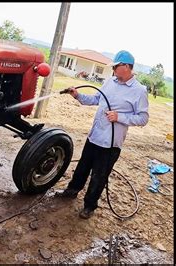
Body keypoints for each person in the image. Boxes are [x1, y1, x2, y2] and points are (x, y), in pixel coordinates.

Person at [57, 50, 149, 219]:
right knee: (82, 168)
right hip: (95, 136)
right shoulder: (110, 82)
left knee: (99, 176)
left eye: (116, 66)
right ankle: (72, 190)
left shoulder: (139, 90)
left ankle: (89, 206)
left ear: (127, 67)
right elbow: (95, 99)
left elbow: (143, 118)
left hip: (111, 143)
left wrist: (119, 117)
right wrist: (77, 96)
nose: (113, 69)